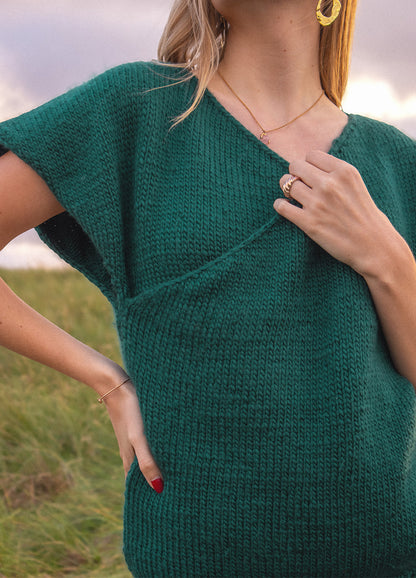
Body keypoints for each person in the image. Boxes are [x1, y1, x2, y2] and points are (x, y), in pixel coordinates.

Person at [1, 0, 416, 575]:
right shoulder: (136, 112)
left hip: (386, 551)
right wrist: (107, 380)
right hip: (195, 553)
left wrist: (387, 258)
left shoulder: (397, 161)